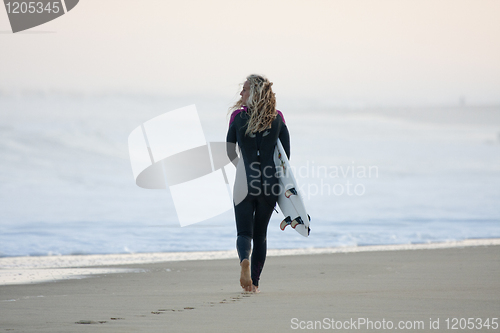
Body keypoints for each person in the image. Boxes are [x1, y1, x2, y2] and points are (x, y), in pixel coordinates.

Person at [226, 74, 290, 293]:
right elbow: (285, 157)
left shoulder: (237, 117)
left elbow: (229, 152)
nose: (241, 93)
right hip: (270, 183)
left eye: (244, 89)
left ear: (253, 93)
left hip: (245, 181)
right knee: (261, 234)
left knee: (244, 234)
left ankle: (245, 259)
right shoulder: (278, 117)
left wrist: (242, 169)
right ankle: (254, 283)